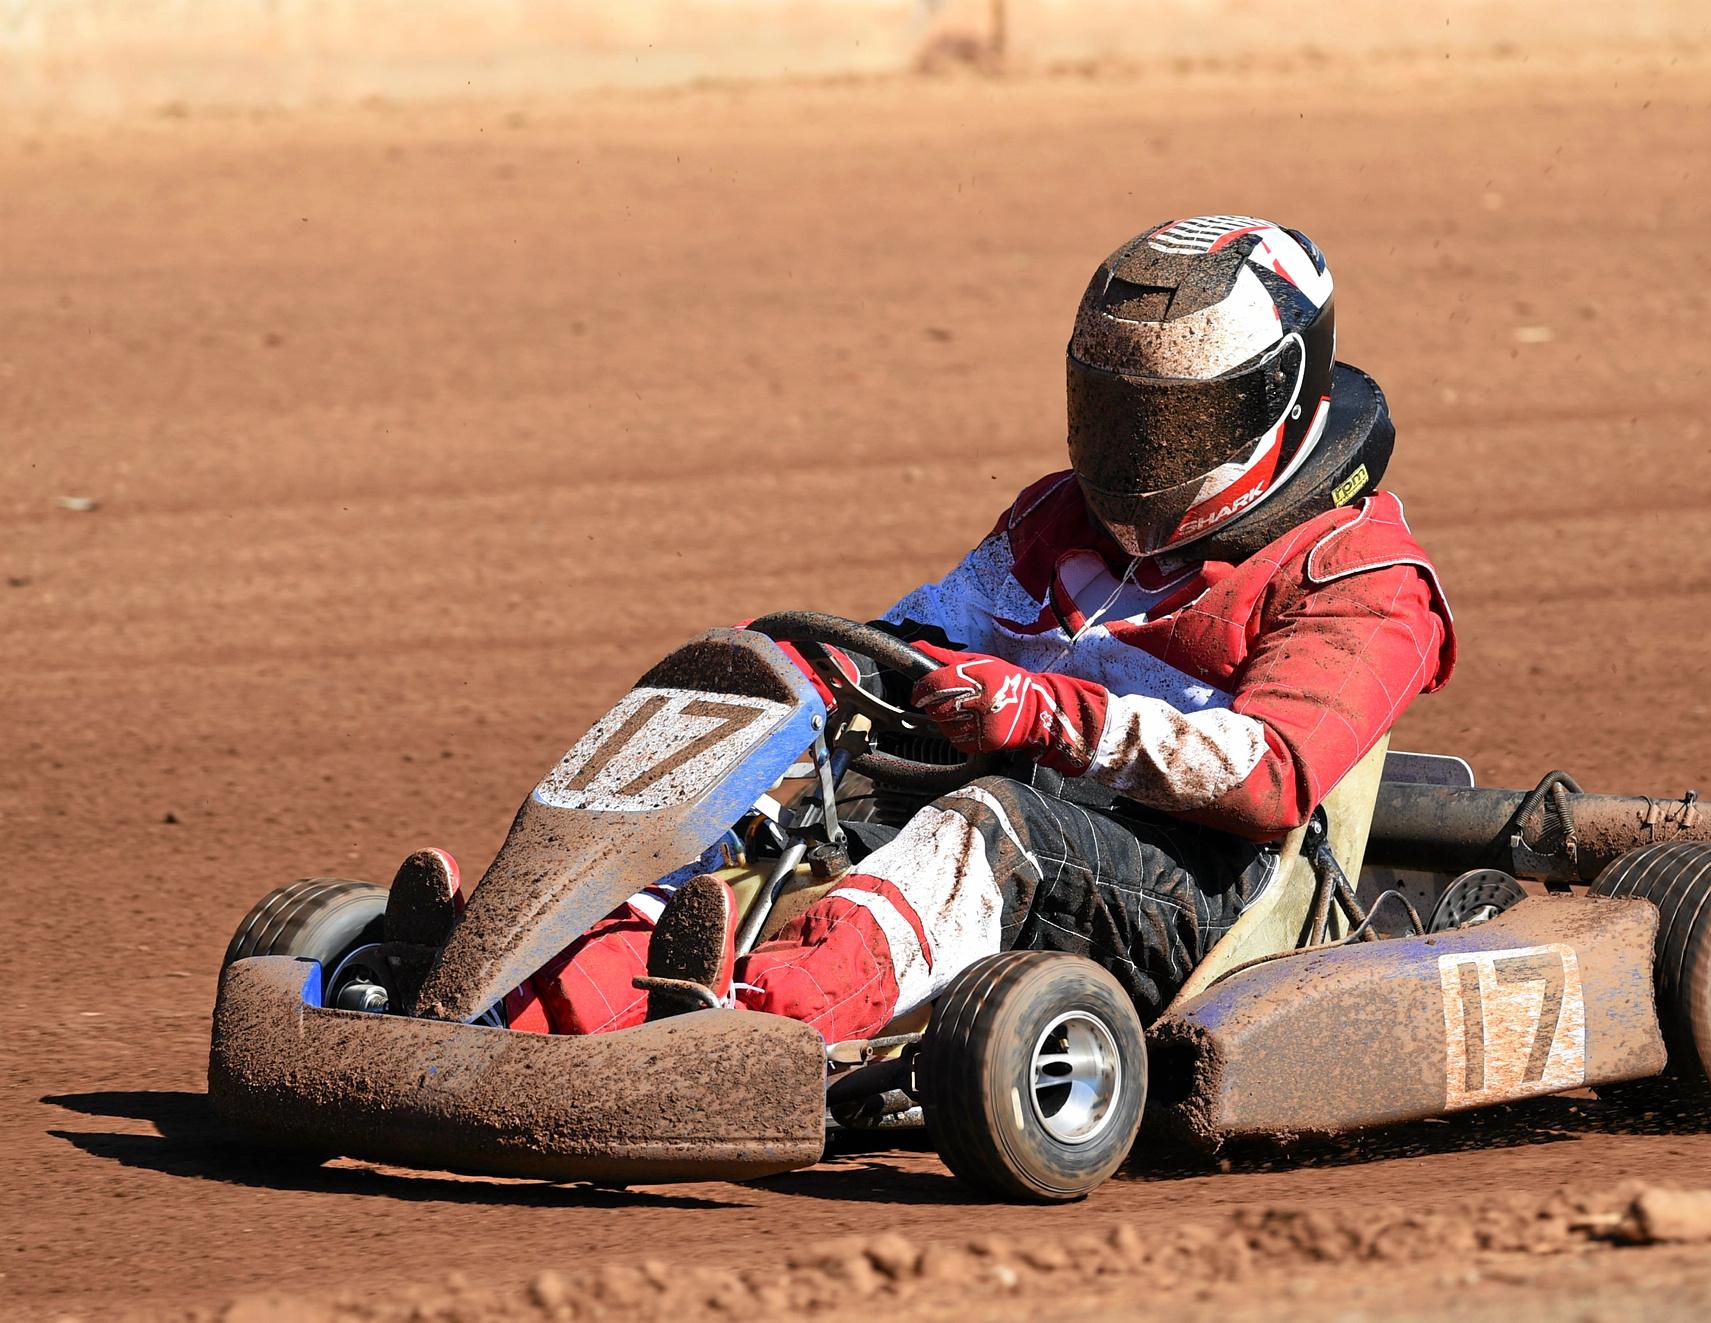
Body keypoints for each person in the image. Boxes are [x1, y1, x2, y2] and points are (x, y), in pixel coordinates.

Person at [388, 215, 1455, 1040]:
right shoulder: (1059, 516)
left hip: (1191, 886)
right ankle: (511, 976)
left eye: (1172, 420)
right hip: (1022, 808)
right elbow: (925, 637)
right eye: (1119, 414)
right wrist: (817, 666)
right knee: (762, 762)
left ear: (1278, 396)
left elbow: (1268, 775)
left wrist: (1048, 716)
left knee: (980, 826)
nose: (1135, 450)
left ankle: (754, 1033)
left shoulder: (1359, 573)